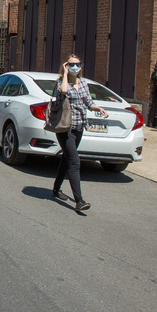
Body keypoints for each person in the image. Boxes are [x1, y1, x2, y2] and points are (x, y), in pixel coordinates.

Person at [52, 54, 108, 211]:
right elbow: (63, 91)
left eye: (77, 64)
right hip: (65, 128)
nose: (75, 67)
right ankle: (79, 201)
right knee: (75, 162)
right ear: (66, 66)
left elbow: (88, 102)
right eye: (71, 64)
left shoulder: (83, 83)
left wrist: (99, 108)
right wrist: (64, 74)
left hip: (79, 127)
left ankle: (56, 189)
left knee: (67, 159)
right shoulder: (60, 83)